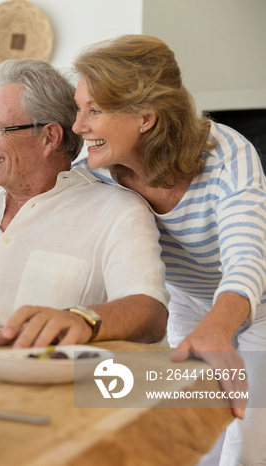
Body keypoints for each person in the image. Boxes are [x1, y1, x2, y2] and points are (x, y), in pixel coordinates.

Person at [72, 34, 261, 463]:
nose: (78, 126)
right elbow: (24, 201)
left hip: (258, 304)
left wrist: (218, 327)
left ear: (145, 118)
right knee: (194, 434)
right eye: (80, 108)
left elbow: (247, 257)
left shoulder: (228, 157)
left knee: (245, 443)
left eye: (94, 111)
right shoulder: (98, 170)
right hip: (191, 304)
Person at [0, 58, 169, 348]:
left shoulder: (117, 212)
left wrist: (81, 319)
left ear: (49, 137)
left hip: (44, 384)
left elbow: (150, 313)